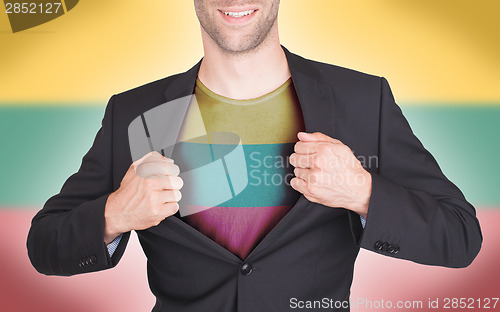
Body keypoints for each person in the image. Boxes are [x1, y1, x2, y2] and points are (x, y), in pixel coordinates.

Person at [27, 1, 482, 311]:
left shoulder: (362, 100)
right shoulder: (136, 112)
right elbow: (44, 245)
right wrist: (114, 214)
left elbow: (460, 237)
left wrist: (363, 192)